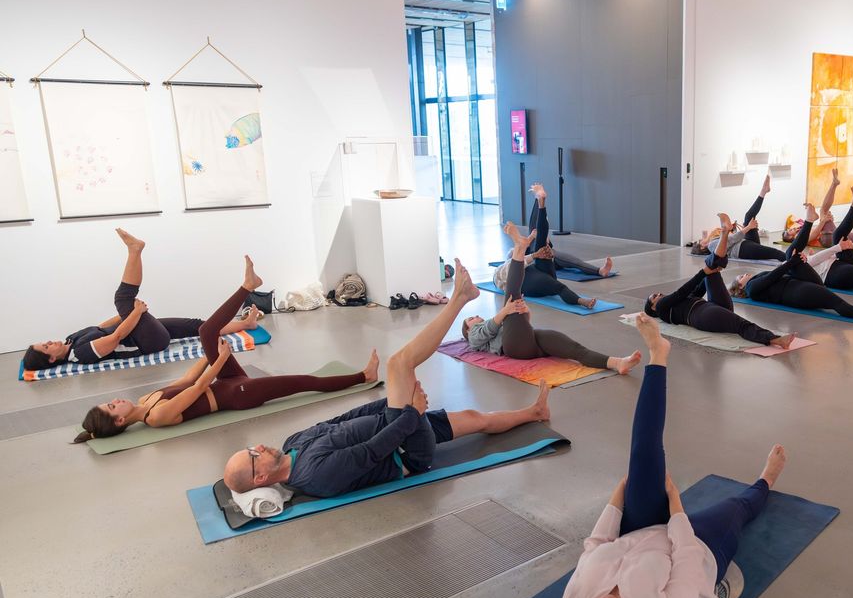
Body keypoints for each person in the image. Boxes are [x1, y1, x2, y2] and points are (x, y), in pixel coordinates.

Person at [542, 314, 788, 598]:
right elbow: (687, 560)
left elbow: (596, 545)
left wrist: (615, 500)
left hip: (636, 532)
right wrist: (676, 508)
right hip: (698, 547)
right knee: (737, 509)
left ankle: (660, 355)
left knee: (642, 456)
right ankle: (766, 481)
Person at [222, 260, 551, 499]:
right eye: (254, 454)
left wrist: (391, 404)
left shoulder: (293, 443)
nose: (259, 446)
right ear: (261, 476)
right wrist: (410, 413)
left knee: (473, 419)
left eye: (251, 447)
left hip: (395, 420)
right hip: (406, 450)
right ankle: (460, 299)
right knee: (398, 365)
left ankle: (534, 413)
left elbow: (341, 421)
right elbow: (371, 451)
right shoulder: (315, 477)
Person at [74, 257, 373, 442]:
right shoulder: (157, 417)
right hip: (237, 396)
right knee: (304, 383)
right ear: (120, 421)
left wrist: (209, 354)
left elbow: (188, 381)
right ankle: (363, 376)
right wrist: (221, 359)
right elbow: (201, 386)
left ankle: (247, 287)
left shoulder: (145, 399)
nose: (114, 400)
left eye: (110, 402)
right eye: (112, 407)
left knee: (206, 331)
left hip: (224, 382)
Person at [23, 228, 260, 372]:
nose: (50, 341)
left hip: (140, 328)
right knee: (123, 297)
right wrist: (134, 313)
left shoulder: (70, 340)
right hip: (150, 341)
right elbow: (115, 337)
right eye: (46, 346)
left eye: (45, 341)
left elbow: (103, 327)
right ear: (52, 358)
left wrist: (128, 314)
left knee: (198, 325)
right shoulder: (81, 355)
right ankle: (135, 250)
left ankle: (246, 324)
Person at [464, 223, 641, 375]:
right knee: (512, 296)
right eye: (470, 319)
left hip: (530, 340)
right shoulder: (474, 337)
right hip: (514, 347)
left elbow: (522, 326)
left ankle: (617, 363)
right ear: (468, 329)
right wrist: (505, 311)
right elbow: (487, 330)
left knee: (576, 350)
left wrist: (526, 313)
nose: (475, 317)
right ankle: (520, 247)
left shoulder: (501, 322)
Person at [646, 226, 796, 350]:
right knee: (741, 324)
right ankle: (775, 339)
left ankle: (723, 238)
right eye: (654, 297)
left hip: (714, 306)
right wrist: (703, 272)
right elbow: (681, 292)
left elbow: (697, 289)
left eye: (657, 293)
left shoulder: (673, 303)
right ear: (653, 308)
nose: (659, 294)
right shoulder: (662, 309)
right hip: (704, 315)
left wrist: (709, 271)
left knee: (711, 268)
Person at [493, 184, 599, 309]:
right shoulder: (502, 271)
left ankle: (541, 203)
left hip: (541, 274)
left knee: (541, 242)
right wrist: (535, 254)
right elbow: (518, 262)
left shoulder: (521, 263)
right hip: (530, 282)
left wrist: (541, 251)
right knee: (559, 286)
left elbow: (524, 256)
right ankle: (581, 301)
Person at [691, 175, 786, 262]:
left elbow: (731, 240)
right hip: (743, 249)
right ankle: (795, 260)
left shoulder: (713, 244)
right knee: (776, 253)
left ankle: (763, 191)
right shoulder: (712, 246)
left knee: (748, 216)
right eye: (700, 241)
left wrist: (736, 229)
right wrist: (748, 228)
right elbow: (731, 240)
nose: (702, 239)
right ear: (703, 247)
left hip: (745, 244)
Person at [522, 198, 614, 279]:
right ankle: (600, 271)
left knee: (570, 259)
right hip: (539, 260)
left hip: (549, 257)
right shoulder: (519, 253)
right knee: (540, 242)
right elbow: (514, 255)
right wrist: (531, 238)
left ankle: (599, 271)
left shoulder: (534, 240)